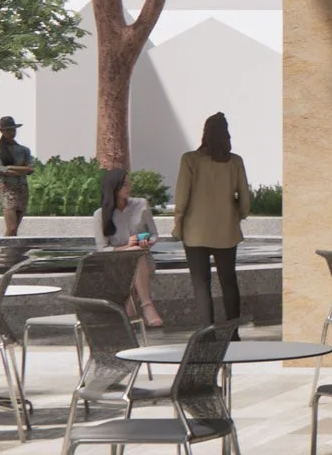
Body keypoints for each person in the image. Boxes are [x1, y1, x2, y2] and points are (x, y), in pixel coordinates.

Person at [173, 113, 253, 333]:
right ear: (227, 133)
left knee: (201, 284)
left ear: (205, 133)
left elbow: (181, 198)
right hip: (226, 231)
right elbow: (245, 199)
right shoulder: (235, 161)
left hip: (195, 232)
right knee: (229, 282)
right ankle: (233, 333)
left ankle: (206, 334)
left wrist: (178, 221)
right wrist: (239, 214)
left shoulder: (190, 159)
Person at [95, 166, 164, 328]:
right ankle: (145, 306)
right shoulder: (100, 215)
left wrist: (148, 242)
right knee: (133, 254)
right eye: (124, 185)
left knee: (137, 254)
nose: (128, 188)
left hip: (143, 260)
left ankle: (141, 305)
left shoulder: (141, 205)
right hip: (116, 262)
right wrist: (126, 247)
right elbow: (101, 249)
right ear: (114, 187)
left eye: (128, 184)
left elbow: (154, 234)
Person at [0, 117, 36, 238]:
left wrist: (10, 168)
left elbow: (31, 169)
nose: (11, 132)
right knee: (11, 228)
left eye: (13, 130)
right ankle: (5, 253)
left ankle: (12, 254)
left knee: (15, 229)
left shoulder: (24, 150)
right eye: (8, 130)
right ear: (2, 132)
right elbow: (0, 168)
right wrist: (22, 170)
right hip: (7, 188)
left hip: (22, 188)